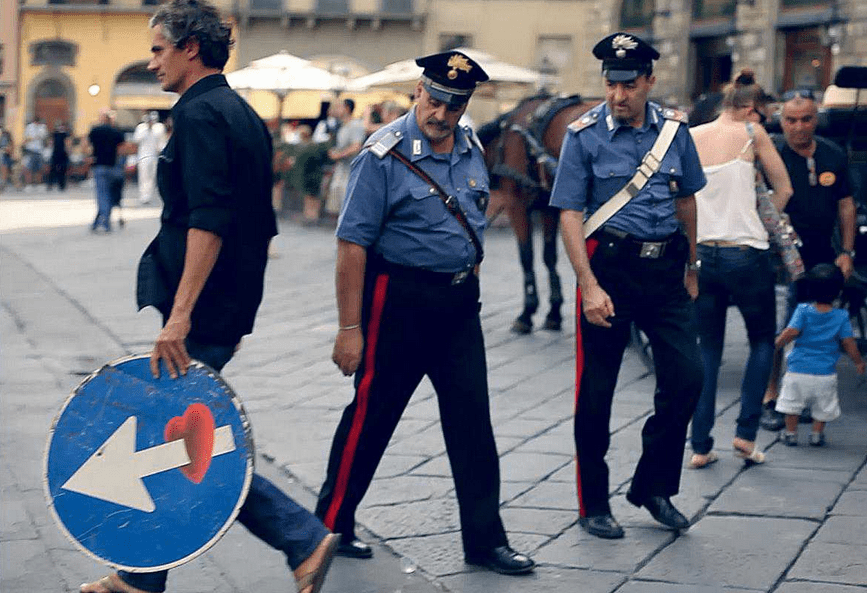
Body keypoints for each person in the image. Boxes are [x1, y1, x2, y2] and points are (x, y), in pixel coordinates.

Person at [79, 2, 338, 592]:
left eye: (157, 50)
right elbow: (257, 220)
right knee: (170, 433)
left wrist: (180, 314)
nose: (152, 63)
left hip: (205, 308)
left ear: (190, 48)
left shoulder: (199, 115)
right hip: (230, 301)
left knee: (186, 440)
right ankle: (141, 578)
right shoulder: (240, 113)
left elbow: (209, 220)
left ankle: (300, 536)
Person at [316, 50, 535, 576]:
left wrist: (469, 274)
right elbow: (351, 244)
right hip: (399, 301)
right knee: (372, 417)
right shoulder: (382, 155)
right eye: (435, 100)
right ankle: (328, 527)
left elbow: (472, 221)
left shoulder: (471, 144)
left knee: (472, 422)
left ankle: (484, 540)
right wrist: (350, 328)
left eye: (454, 106)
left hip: (458, 304)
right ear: (419, 90)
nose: (441, 114)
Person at [550, 32, 706, 540]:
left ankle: (652, 486)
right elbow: (570, 214)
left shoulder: (675, 132)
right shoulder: (584, 135)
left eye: (629, 85)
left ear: (649, 82)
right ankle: (594, 502)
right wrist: (588, 285)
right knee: (597, 390)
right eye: (612, 84)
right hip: (609, 269)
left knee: (687, 377)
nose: (618, 95)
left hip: (665, 269)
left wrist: (692, 263)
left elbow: (687, 201)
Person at [687, 70, 794, 469]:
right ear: (750, 108)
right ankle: (746, 436)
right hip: (746, 253)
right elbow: (784, 188)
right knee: (762, 341)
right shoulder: (752, 133)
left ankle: (700, 445)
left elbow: (677, 192)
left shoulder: (693, 136)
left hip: (702, 254)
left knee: (708, 349)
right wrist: (763, 221)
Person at [761, 89, 858, 431]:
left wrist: (846, 252)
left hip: (821, 251)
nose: (798, 127)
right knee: (781, 323)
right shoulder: (771, 153)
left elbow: (846, 204)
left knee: (813, 326)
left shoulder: (832, 153)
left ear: (816, 120)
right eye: (790, 120)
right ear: (780, 120)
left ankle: (799, 397)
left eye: (805, 120)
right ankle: (770, 397)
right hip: (780, 252)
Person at [775, 263, 865, 446]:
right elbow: (848, 342)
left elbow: (791, 332)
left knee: (792, 405)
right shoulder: (841, 316)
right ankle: (816, 434)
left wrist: (776, 344)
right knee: (823, 406)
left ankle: (790, 433)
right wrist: (858, 362)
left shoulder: (803, 311)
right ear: (839, 291)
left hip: (798, 370)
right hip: (825, 373)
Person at [323, 98, 365, 216]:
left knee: (346, 205)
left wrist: (338, 155)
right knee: (336, 206)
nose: (336, 110)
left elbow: (356, 146)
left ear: (347, 108)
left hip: (351, 172)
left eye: (339, 107)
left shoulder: (356, 125)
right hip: (341, 170)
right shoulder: (341, 126)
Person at [87, 109, 127, 232]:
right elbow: (123, 148)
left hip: (99, 166)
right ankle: (97, 222)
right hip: (113, 166)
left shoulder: (95, 131)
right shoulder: (116, 132)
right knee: (108, 194)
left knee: (102, 195)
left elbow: (86, 145)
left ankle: (105, 222)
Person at [132, 111, 168, 204]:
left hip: (154, 156)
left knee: (152, 176)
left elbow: (162, 141)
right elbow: (136, 139)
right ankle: (143, 195)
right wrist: (147, 129)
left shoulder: (159, 128)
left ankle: (149, 195)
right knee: (143, 176)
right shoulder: (141, 128)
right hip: (143, 156)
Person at [23, 117, 48, 190]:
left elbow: (44, 137)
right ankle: (29, 185)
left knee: (39, 168)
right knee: (29, 168)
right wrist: (32, 138)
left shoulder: (42, 128)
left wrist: (39, 135)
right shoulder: (29, 127)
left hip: (39, 151)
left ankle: (39, 184)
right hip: (30, 150)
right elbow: (26, 138)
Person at [48, 121, 71, 191]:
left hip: (63, 154)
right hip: (56, 153)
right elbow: (51, 142)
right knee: (53, 169)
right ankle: (50, 184)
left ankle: (61, 185)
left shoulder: (66, 134)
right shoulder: (55, 134)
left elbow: (68, 143)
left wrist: (68, 151)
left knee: (62, 170)